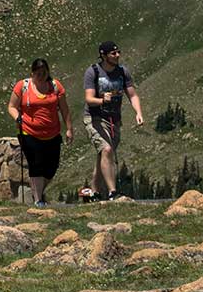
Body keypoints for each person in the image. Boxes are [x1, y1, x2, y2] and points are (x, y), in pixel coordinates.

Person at [83, 41, 144, 200]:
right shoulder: (93, 72)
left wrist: (138, 112)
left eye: (118, 52)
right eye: (113, 53)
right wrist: (102, 100)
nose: (117, 56)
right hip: (94, 118)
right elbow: (89, 99)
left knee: (103, 154)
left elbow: (132, 94)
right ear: (103, 55)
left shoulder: (123, 72)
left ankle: (94, 193)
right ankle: (112, 192)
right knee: (107, 150)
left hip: (114, 120)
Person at [8, 58, 73, 207]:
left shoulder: (56, 87)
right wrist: (17, 117)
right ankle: (38, 199)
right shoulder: (22, 86)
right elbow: (12, 106)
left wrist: (69, 129)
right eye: (38, 73)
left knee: (51, 167)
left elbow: (64, 109)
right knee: (35, 164)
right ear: (32, 73)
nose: (41, 76)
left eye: (44, 73)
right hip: (29, 132)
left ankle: (39, 190)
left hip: (52, 133)